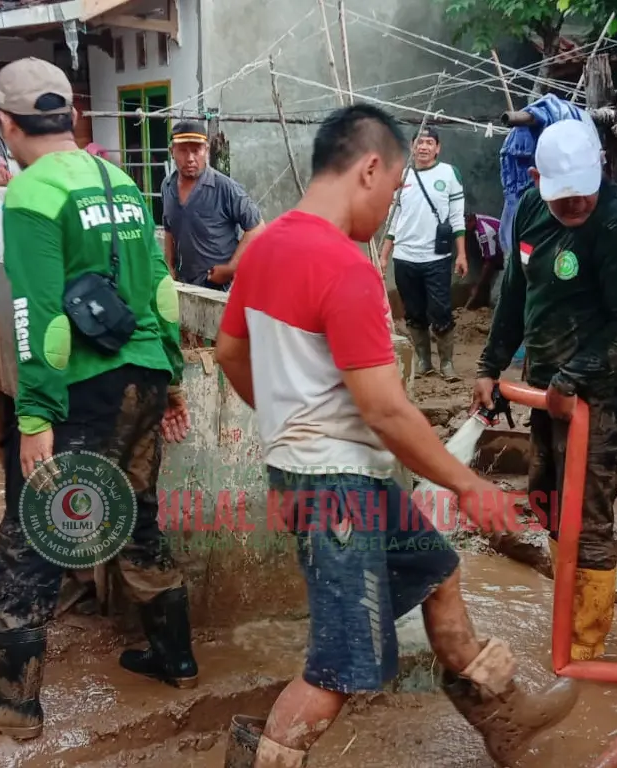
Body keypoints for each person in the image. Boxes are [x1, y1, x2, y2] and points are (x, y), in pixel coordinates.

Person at [216, 104, 578, 768]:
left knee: (437, 571)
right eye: (391, 193)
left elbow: (230, 353)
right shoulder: (344, 265)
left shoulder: (263, 247)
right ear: (370, 168)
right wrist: (469, 485)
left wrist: (286, 424)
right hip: (337, 484)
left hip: (318, 473)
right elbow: (387, 411)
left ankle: (504, 716)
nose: (388, 209)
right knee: (341, 666)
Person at [0, 57, 198, 740]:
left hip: (82, 389)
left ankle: (12, 702)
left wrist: (33, 419)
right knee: (138, 515)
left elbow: (39, 317)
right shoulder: (119, 179)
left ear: (5, 122)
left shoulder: (31, 193)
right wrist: (169, 381)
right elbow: (161, 292)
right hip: (143, 376)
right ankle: (175, 657)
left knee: (33, 531)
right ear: (72, 116)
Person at [473, 118, 617, 663]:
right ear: (536, 178)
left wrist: (576, 377)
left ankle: (585, 647)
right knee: (548, 503)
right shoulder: (530, 208)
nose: (576, 207)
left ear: (599, 170)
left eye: (583, 197)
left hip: (600, 395)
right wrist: (490, 365)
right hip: (545, 388)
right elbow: (515, 294)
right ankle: (563, 612)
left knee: (588, 516)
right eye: (564, 199)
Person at [379, 125, 468, 381]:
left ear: (438, 148)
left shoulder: (450, 174)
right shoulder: (402, 176)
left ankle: (447, 364)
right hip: (405, 257)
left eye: (430, 142)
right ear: (412, 146)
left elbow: (457, 219)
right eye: (419, 142)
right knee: (414, 312)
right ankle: (424, 361)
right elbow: (394, 221)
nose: (424, 147)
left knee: (440, 310)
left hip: (436, 259)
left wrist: (461, 254)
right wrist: (385, 255)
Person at [161, 120, 266, 290]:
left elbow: (257, 228)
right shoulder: (167, 186)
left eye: (196, 151)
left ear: (206, 151)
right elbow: (168, 229)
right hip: (185, 284)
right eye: (182, 151)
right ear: (171, 152)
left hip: (220, 289)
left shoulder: (224, 187)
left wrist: (231, 268)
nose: (190, 158)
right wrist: (170, 265)